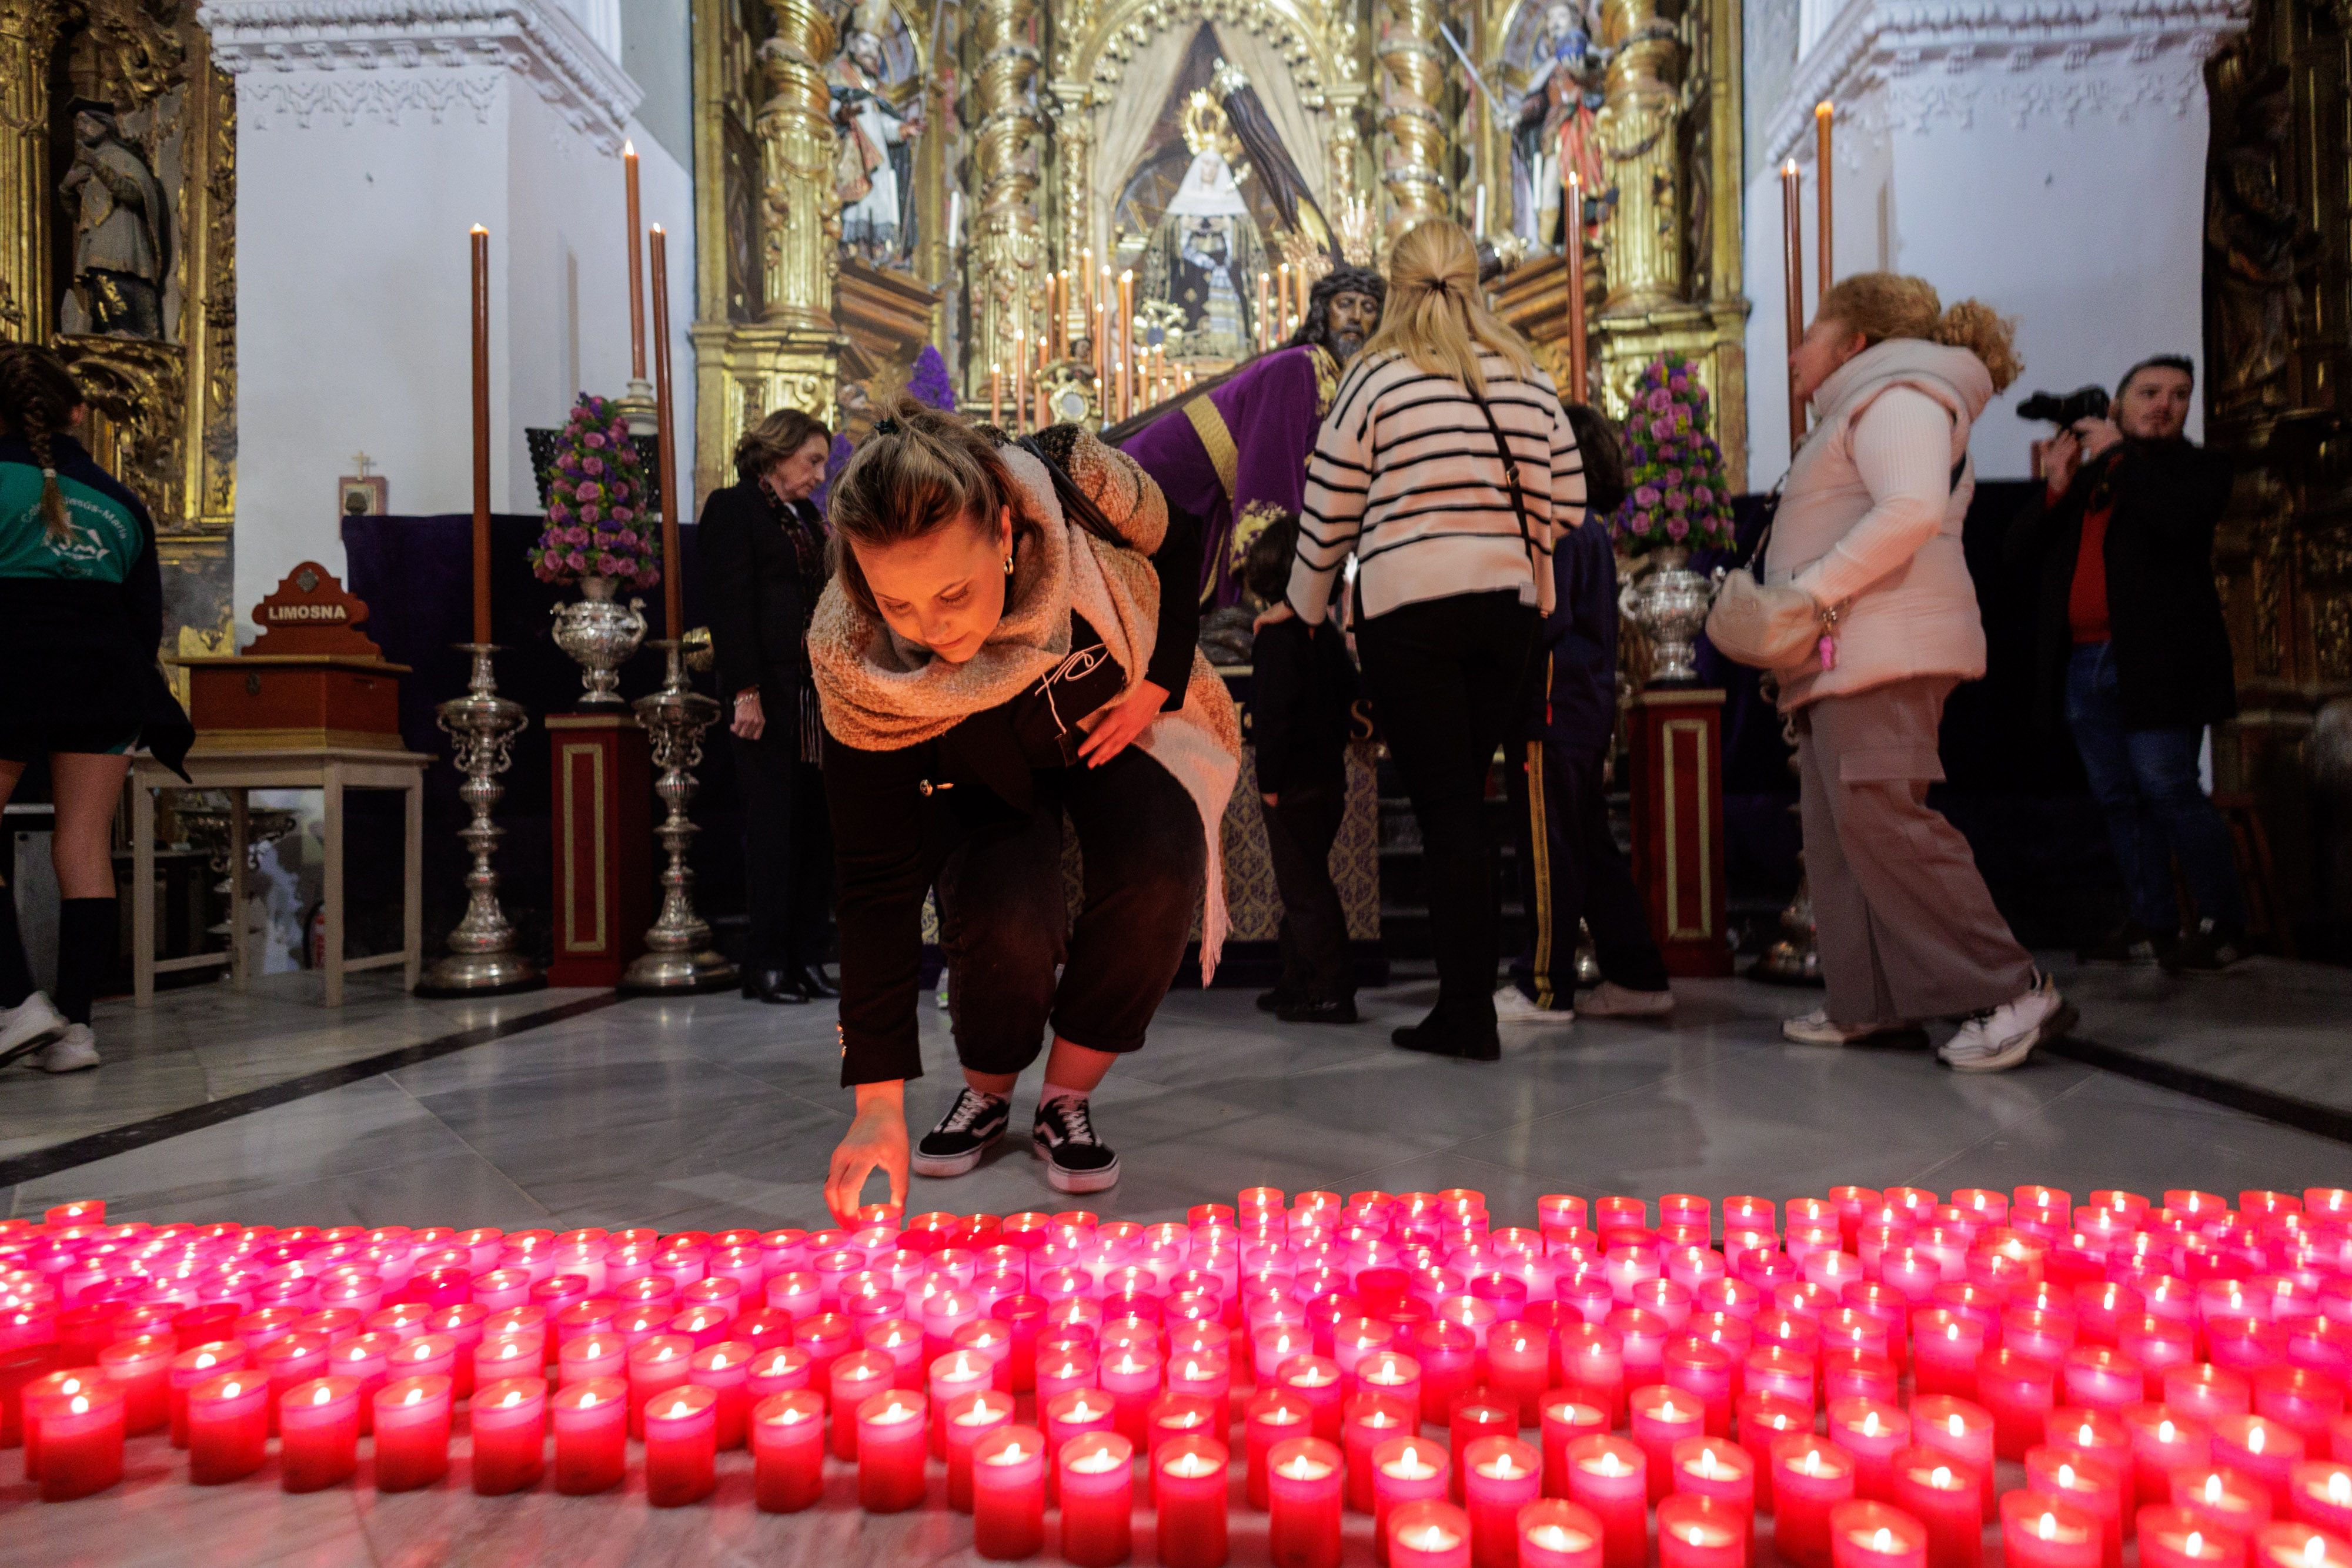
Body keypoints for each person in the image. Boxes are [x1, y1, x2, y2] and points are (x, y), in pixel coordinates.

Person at [813, 405, 1238, 1217]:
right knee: (1008, 908)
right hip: (977, 767)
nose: (934, 632)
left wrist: (1161, 681)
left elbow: (1180, 541)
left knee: (1160, 861)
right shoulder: (853, 655)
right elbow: (873, 883)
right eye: (898, 605)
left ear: (1005, 531)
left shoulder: (1078, 480)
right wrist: (876, 1103)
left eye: (952, 593)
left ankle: (1064, 1098)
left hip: (1102, 719)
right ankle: (986, 1088)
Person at [1282, 218, 1585, 1062]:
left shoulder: (1377, 377)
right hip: (1508, 613)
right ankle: (1470, 1004)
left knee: (1444, 806)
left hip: (1411, 610)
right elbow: (1568, 505)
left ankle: (1465, 1014)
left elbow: (1330, 504)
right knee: (1470, 808)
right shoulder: (1526, 376)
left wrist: (1303, 609)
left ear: (1398, 286)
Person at [1771, 273, 2071, 1073]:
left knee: (1886, 822)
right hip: (1851, 651)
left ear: (1855, 343)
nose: (1795, 351)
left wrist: (1809, 591)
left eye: (1810, 331)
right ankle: (1871, 1001)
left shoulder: (1901, 394)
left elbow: (1908, 511)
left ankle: (2010, 988)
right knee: (1841, 835)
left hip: (1883, 648)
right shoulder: (1873, 400)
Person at [2003, 355, 2246, 971]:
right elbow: (2016, 554)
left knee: (2168, 788)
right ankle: (2151, 923)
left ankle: (2223, 923)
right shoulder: (2097, 478)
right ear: (2117, 405)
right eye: (2149, 392)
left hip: (2161, 663)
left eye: (2179, 394)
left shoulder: (2200, 468)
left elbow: (2176, 523)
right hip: (2085, 663)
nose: (2164, 404)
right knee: (2117, 799)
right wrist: (2057, 487)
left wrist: (2125, 458)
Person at [0, 342, 192, 1073]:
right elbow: (146, 623)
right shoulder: (122, 502)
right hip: (106, 677)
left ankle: (19, 1004)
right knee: (83, 847)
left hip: (8, 666)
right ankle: (77, 1030)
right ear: (77, 414)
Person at [1499, 402, 1674, 1024]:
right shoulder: (1591, 525)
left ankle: (1543, 985)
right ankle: (1637, 975)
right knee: (1590, 849)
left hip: (1551, 707)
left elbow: (1544, 619)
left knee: (1548, 851)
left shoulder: (1558, 524)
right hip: (1582, 707)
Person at [1122, 265, 1386, 607]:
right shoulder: (1301, 365)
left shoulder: (1340, 384)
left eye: (1368, 308)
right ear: (1324, 311)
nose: (1355, 317)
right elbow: (1270, 468)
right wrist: (1266, 574)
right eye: (1345, 303)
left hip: (1200, 496)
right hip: (1157, 477)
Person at [700, 407, 838, 1004]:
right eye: (812, 462)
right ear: (777, 453)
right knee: (772, 830)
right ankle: (766, 964)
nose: (818, 476)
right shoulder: (734, 509)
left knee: (815, 829)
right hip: (767, 694)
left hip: (813, 696)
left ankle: (807, 957)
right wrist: (745, 691)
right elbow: (731, 607)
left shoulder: (806, 517)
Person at [1244, 515, 1360, 1024]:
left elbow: (1273, 717)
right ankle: (1297, 980)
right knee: (1305, 882)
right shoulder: (1326, 636)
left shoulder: (1276, 636)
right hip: (1327, 779)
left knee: (1304, 889)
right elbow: (1345, 701)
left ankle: (1332, 988)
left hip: (1290, 785)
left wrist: (1268, 784)